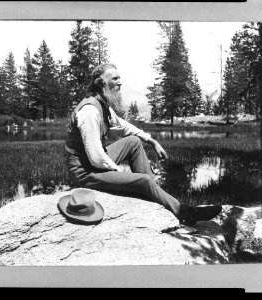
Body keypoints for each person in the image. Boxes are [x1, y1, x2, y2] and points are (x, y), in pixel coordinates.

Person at [65, 63, 222, 225]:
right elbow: (96, 157)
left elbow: (124, 127)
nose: (120, 83)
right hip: (84, 171)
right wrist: (121, 174)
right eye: (115, 79)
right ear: (100, 83)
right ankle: (184, 212)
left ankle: (153, 191)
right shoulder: (90, 111)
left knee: (133, 142)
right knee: (143, 181)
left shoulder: (103, 105)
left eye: (120, 78)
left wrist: (152, 141)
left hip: (92, 162)